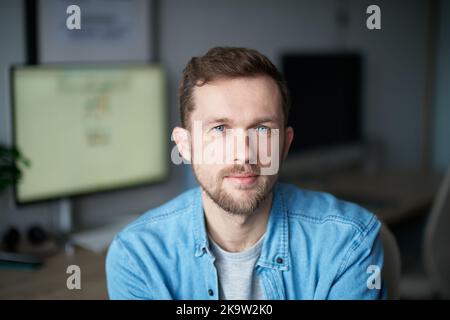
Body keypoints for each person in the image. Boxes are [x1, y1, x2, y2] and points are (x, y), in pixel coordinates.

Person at [106, 47, 387, 300]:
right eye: (220, 129)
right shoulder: (137, 257)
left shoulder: (348, 243)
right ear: (185, 146)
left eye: (262, 129)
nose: (243, 154)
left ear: (285, 145)